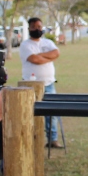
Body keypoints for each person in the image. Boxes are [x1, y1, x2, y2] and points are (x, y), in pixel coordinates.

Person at [20, 16, 61, 148]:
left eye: (39, 27)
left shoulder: (48, 42)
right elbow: (34, 59)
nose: (37, 29)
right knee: (31, 112)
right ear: (29, 29)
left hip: (49, 84)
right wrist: (48, 57)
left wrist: (40, 55)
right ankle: (31, 139)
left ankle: (53, 140)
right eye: (34, 27)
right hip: (30, 85)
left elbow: (56, 53)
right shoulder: (25, 45)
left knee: (52, 113)